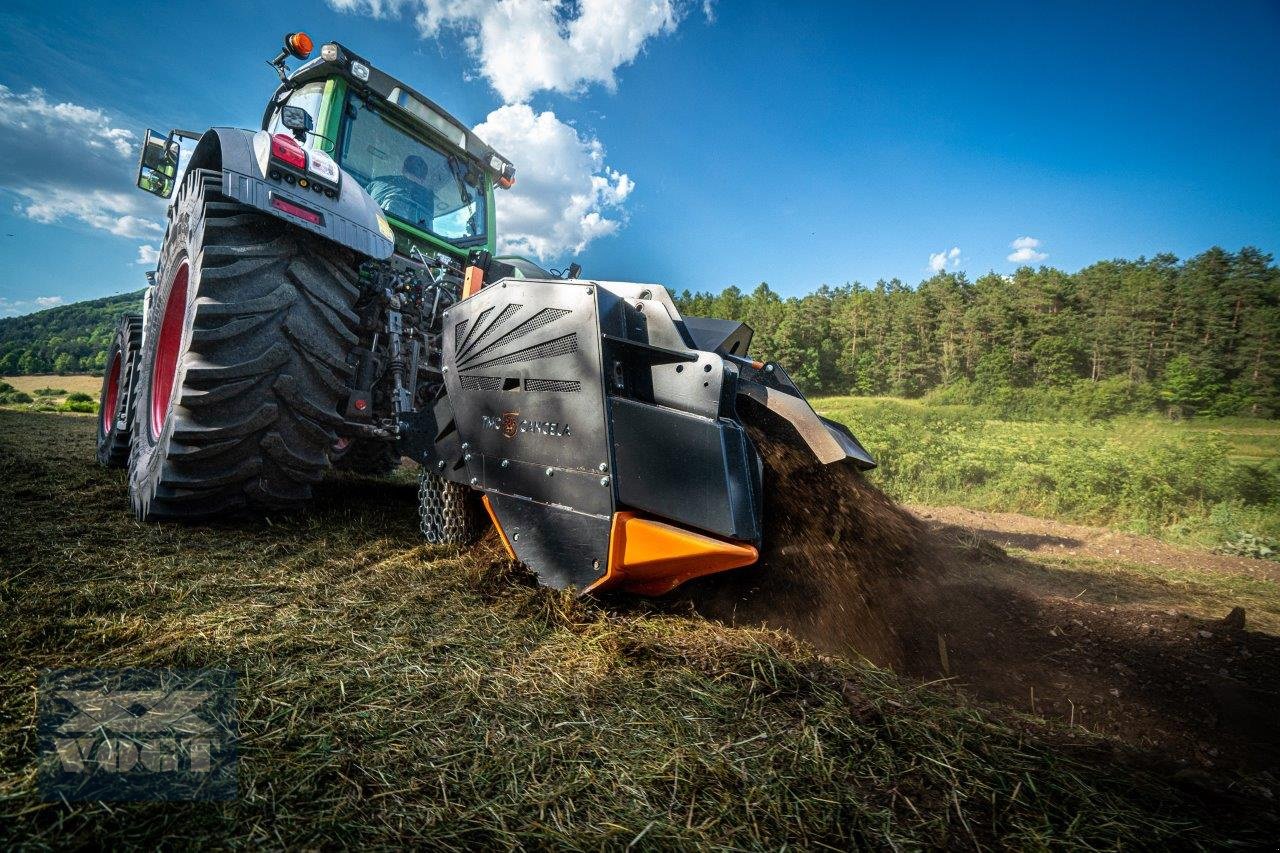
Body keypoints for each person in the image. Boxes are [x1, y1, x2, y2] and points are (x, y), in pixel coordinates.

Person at [366, 154, 436, 226]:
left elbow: (361, 202)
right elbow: (427, 226)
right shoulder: (427, 198)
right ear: (423, 179)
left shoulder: (378, 181)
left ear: (403, 169)